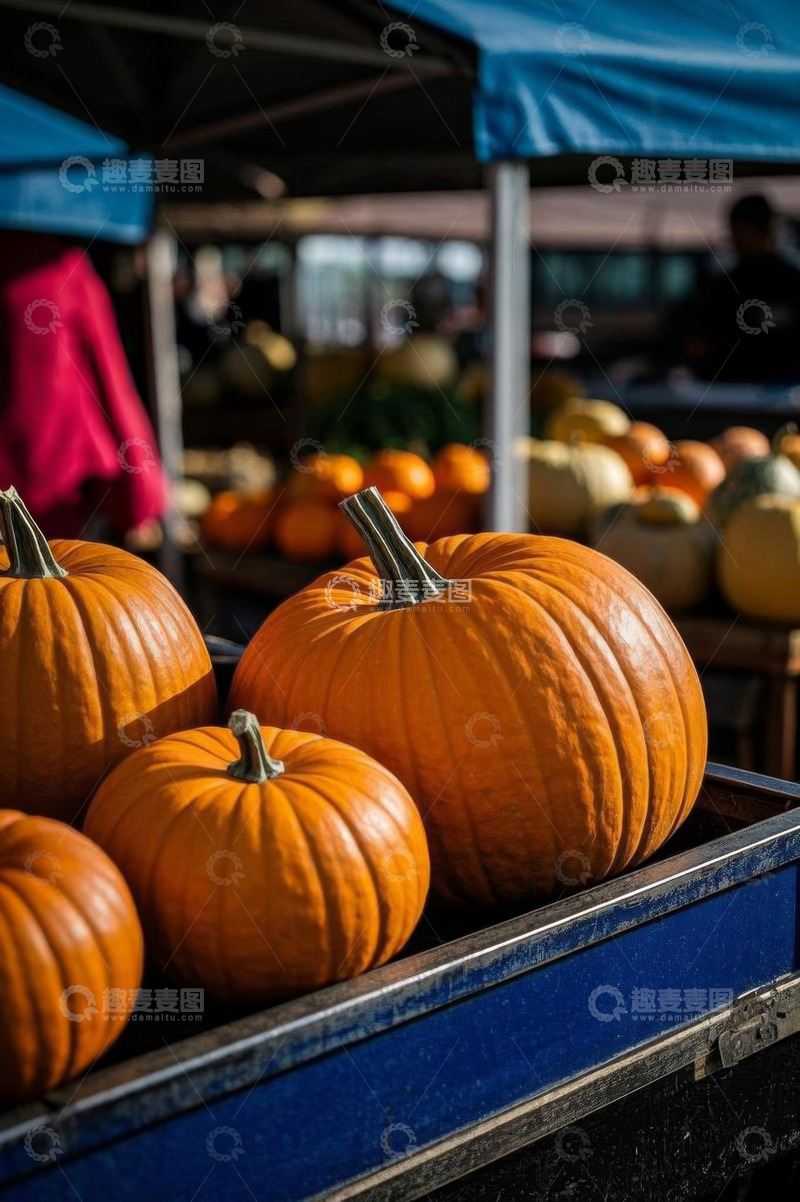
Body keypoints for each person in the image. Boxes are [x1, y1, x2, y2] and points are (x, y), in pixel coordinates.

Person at [0, 232, 165, 538]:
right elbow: (108, 377)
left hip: (43, 478)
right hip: (46, 482)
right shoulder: (56, 270)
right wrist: (140, 489)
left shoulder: (57, 271)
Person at [682, 194, 800, 384]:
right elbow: (698, 343)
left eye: (740, 231)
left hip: (777, 390)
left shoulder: (790, 283)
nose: (733, 239)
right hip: (731, 389)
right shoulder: (721, 286)